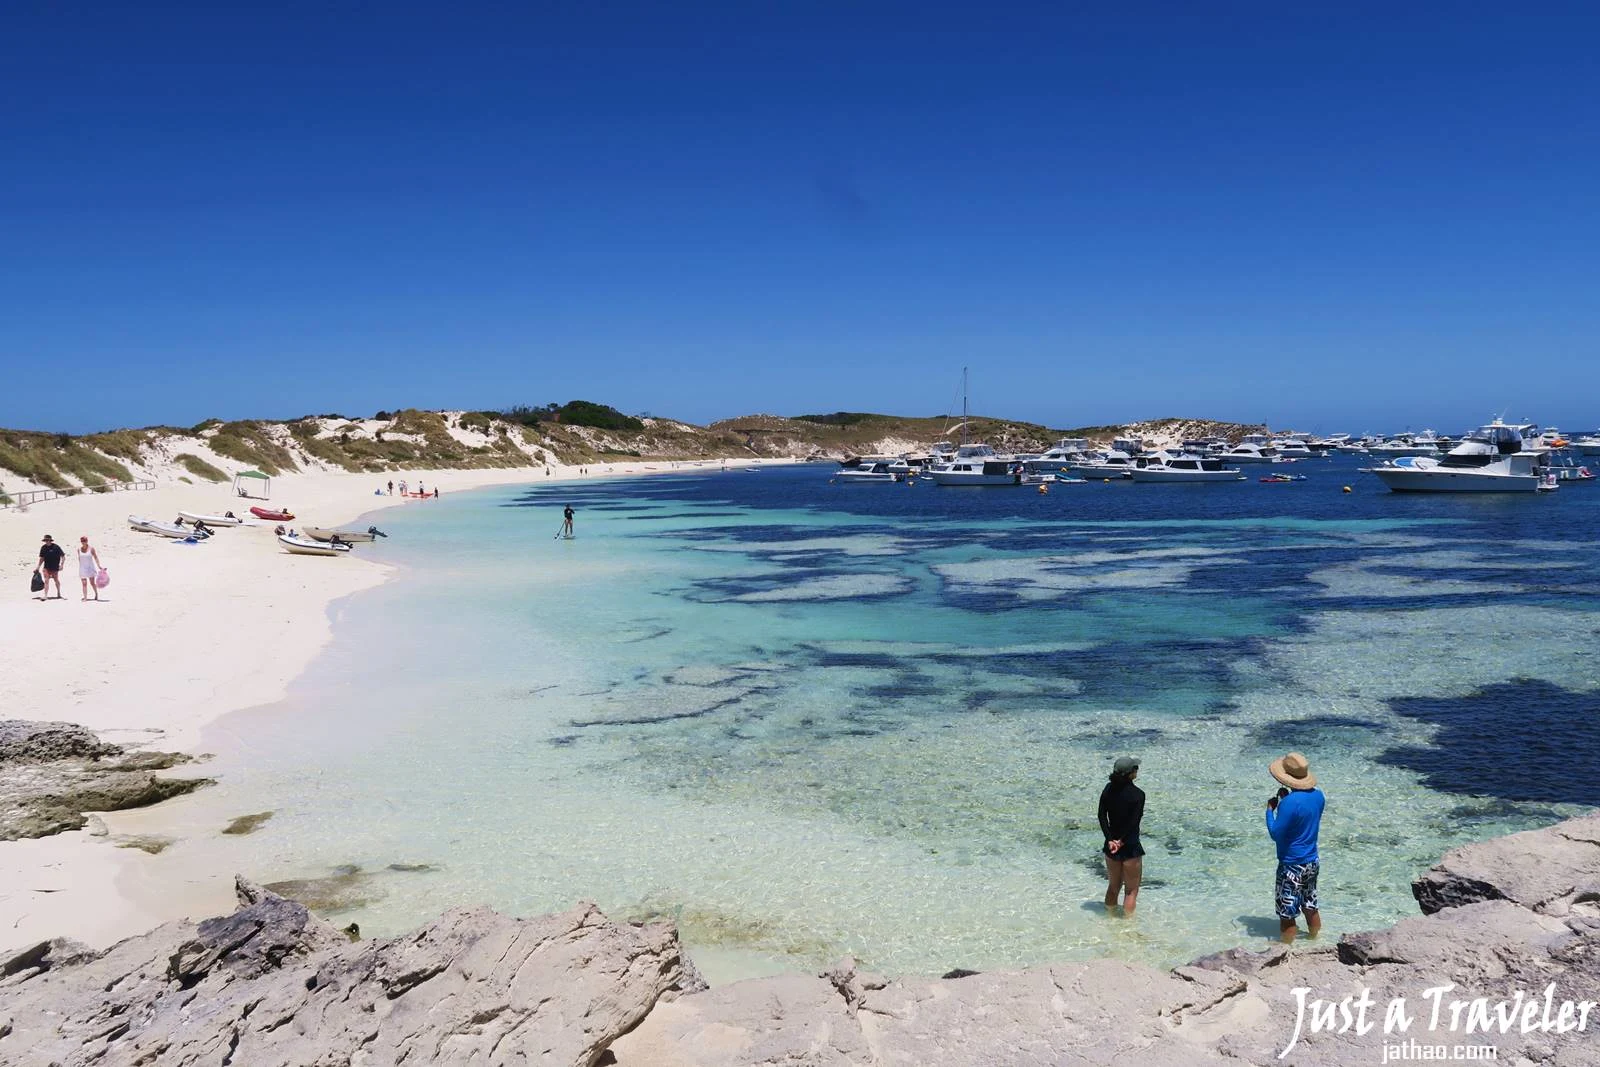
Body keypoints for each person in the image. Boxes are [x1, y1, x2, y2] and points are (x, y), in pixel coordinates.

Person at [1265, 751, 1325, 943]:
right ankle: (1314, 941)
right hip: (1312, 861)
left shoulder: (1289, 803)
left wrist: (1270, 810)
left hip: (1291, 865)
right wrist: (1287, 799)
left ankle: (1286, 950)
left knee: (1287, 913)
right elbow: (1303, 819)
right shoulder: (1319, 796)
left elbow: (1275, 833)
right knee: (1310, 905)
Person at [1098, 755, 1145, 916]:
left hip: (1111, 846)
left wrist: (1110, 839)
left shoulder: (1108, 789)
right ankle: (1127, 925)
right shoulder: (1138, 795)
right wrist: (1121, 840)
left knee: (1113, 887)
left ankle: (1109, 918)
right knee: (1131, 891)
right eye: (1135, 768)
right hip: (1130, 846)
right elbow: (1134, 822)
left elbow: (1101, 816)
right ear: (1130, 773)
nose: (1137, 770)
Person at [36, 534, 65, 600]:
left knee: (56, 580)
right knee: (46, 580)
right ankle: (45, 595)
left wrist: (62, 565)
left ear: (50, 540)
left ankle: (58, 593)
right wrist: (38, 567)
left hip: (55, 567)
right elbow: (42, 558)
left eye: (47, 540)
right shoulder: (43, 548)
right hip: (46, 567)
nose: (46, 541)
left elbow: (63, 556)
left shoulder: (56, 547)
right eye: (45, 540)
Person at [76, 536, 103, 601]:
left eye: (84, 541)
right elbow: (79, 558)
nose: (83, 542)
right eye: (82, 541)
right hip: (82, 568)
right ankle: (85, 597)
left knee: (92, 583)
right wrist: (81, 566)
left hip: (90, 568)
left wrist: (99, 566)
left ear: (87, 541)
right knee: (84, 583)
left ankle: (96, 593)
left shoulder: (91, 549)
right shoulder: (79, 549)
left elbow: (95, 557)